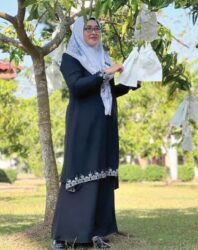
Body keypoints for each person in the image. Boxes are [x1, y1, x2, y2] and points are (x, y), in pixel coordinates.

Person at [51, 16, 139, 249]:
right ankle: (65, 236)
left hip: (104, 124)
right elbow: (78, 87)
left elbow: (108, 92)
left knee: (102, 174)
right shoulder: (70, 58)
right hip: (84, 125)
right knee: (80, 173)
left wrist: (130, 84)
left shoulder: (103, 57)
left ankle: (95, 233)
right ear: (79, 33)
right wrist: (105, 73)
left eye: (96, 28)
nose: (93, 32)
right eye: (87, 28)